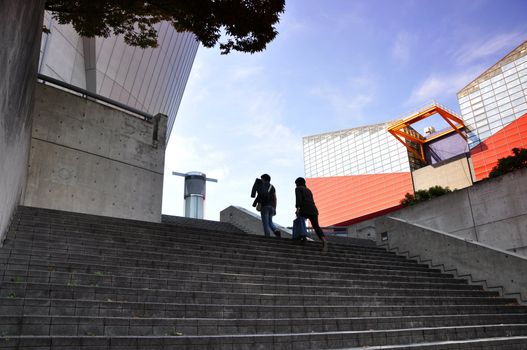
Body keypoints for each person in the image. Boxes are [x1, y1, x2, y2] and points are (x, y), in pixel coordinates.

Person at [294, 177, 328, 253]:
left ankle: (303, 237)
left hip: (305, 209)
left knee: (300, 220)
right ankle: (324, 241)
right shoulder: (308, 190)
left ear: (297, 183)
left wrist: (297, 209)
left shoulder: (298, 189)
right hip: (313, 209)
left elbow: (298, 199)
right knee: (316, 226)